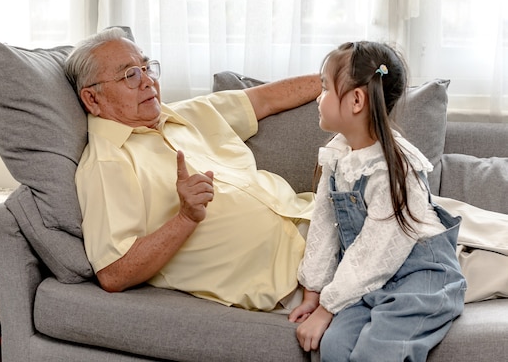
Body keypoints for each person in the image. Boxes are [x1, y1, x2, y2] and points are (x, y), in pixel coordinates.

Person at [63, 27, 321, 311]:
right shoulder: (108, 163)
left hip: (319, 222)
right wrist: (185, 217)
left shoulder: (182, 113)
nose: (148, 81)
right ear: (93, 99)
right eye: (130, 75)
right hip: (290, 276)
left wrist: (340, 81)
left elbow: (266, 99)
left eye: (147, 68)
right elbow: (114, 273)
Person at [289, 41, 467, 361]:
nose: (318, 98)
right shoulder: (337, 156)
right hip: (368, 285)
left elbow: (376, 252)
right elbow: (323, 229)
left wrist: (328, 308)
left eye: (325, 88)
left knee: (378, 352)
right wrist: (313, 294)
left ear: (356, 100)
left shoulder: (396, 169)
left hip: (418, 280)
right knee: (333, 346)